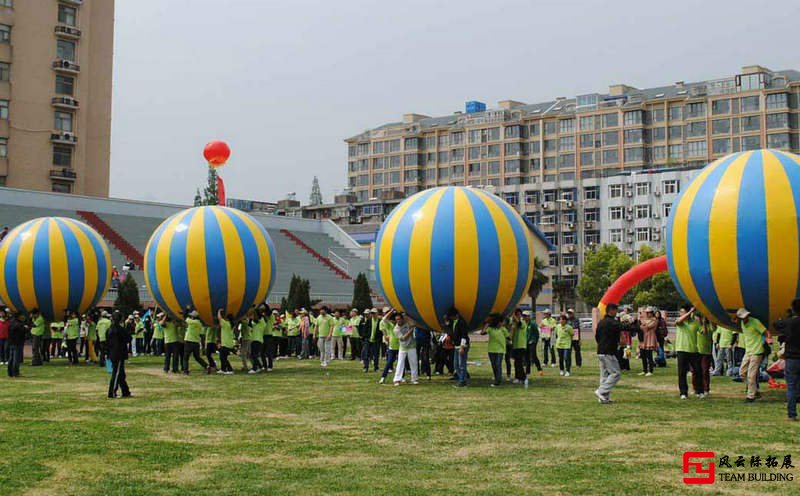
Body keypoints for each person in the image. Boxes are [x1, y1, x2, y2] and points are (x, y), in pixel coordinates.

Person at [774, 298, 800, 420]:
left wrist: (782, 320)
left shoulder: (788, 323)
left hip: (792, 359)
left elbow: (776, 324)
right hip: (793, 358)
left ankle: (792, 414)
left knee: (791, 386)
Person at [736, 307, 767, 402]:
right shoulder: (741, 323)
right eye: (743, 317)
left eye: (746, 316)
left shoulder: (755, 322)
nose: (745, 318)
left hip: (757, 352)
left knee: (751, 375)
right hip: (748, 351)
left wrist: (768, 339)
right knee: (742, 372)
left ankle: (750, 396)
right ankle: (754, 390)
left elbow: (766, 332)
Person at [595, 303, 623, 404]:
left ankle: (604, 398)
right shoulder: (611, 322)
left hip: (601, 351)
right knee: (616, 373)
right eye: (616, 310)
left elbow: (597, 337)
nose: (616, 312)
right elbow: (622, 327)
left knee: (604, 374)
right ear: (611, 310)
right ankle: (601, 391)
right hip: (608, 352)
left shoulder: (601, 322)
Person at [675, 305, 703, 399]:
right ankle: (683, 393)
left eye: (682, 312)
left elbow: (703, 332)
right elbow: (679, 321)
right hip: (681, 350)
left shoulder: (695, 323)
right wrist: (690, 311)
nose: (681, 314)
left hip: (693, 350)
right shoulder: (680, 322)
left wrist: (703, 322)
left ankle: (700, 391)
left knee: (698, 371)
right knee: (682, 373)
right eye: (681, 312)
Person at [106, 311, 132, 398]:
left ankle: (126, 391)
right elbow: (129, 338)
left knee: (120, 373)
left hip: (112, 353)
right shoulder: (120, 329)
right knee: (116, 373)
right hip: (119, 354)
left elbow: (107, 342)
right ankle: (112, 392)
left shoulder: (109, 329)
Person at [481, 313, 509, 387]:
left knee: (498, 364)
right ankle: (497, 378)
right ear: (498, 322)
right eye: (501, 322)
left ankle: (498, 380)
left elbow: (508, 337)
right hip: (491, 350)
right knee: (494, 365)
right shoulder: (490, 329)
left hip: (500, 350)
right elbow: (482, 333)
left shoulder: (503, 329)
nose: (502, 323)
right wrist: (487, 324)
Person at [392, 312, 418, 386]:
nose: (398, 321)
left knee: (413, 363)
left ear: (402, 319)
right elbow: (403, 338)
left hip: (412, 346)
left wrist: (405, 315)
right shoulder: (396, 329)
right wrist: (411, 330)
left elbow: (414, 323)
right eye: (397, 319)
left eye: (400, 319)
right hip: (403, 347)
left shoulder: (407, 323)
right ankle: (397, 379)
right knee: (400, 363)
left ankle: (414, 379)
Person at [446, 307, 470, 388]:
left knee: (461, 364)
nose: (451, 318)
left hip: (462, 345)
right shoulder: (453, 321)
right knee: (456, 365)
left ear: (456, 315)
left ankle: (462, 381)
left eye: (452, 316)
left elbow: (464, 335)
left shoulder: (462, 322)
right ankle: (462, 379)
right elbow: (449, 328)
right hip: (456, 345)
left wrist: (462, 347)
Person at [696, 313, 714, 396]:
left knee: (705, 371)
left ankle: (706, 388)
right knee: (696, 371)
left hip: (706, 352)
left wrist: (705, 322)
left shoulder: (709, 326)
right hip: (697, 351)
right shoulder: (697, 327)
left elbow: (705, 332)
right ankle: (696, 388)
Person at [379, 308, 398, 384]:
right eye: (392, 320)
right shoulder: (390, 325)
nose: (394, 321)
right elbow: (384, 319)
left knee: (400, 363)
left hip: (401, 346)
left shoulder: (400, 325)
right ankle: (383, 377)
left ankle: (401, 377)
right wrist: (392, 310)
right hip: (392, 346)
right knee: (389, 362)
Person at [510, 309, 528, 385]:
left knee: (519, 363)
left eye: (519, 314)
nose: (517, 316)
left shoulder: (523, 323)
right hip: (515, 345)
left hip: (521, 345)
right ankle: (520, 377)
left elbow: (519, 323)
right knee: (516, 362)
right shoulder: (514, 323)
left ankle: (521, 377)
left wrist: (514, 315)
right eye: (516, 314)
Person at [638, 307, 658, 376]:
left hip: (650, 338)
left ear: (652, 313)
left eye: (649, 312)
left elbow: (648, 326)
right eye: (646, 312)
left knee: (649, 355)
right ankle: (644, 370)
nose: (647, 314)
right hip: (644, 338)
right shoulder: (645, 320)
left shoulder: (654, 320)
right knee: (643, 355)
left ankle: (650, 370)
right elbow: (641, 327)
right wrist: (643, 323)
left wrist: (643, 322)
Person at [6, 310, 27, 377]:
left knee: (11, 358)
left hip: (11, 342)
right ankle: (15, 373)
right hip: (18, 342)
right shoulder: (19, 323)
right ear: (19, 316)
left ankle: (10, 373)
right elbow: (23, 330)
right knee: (16, 358)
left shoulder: (11, 322)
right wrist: (26, 328)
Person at [523, 311, 542, 376]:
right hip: (525, 342)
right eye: (524, 316)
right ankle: (527, 371)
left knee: (533, 356)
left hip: (532, 342)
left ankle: (539, 369)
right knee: (526, 357)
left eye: (526, 316)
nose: (525, 317)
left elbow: (537, 333)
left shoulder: (533, 323)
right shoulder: (523, 324)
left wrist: (535, 341)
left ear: (529, 316)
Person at [217, 309, 235, 375]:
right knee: (223, 356)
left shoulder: (226, 324)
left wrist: (219, 312)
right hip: (229, 343)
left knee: (223, 357)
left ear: (227, 319)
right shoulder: (231, 324)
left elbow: (219, 318)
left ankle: (230, 370)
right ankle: (223, 369)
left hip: (226, 344)